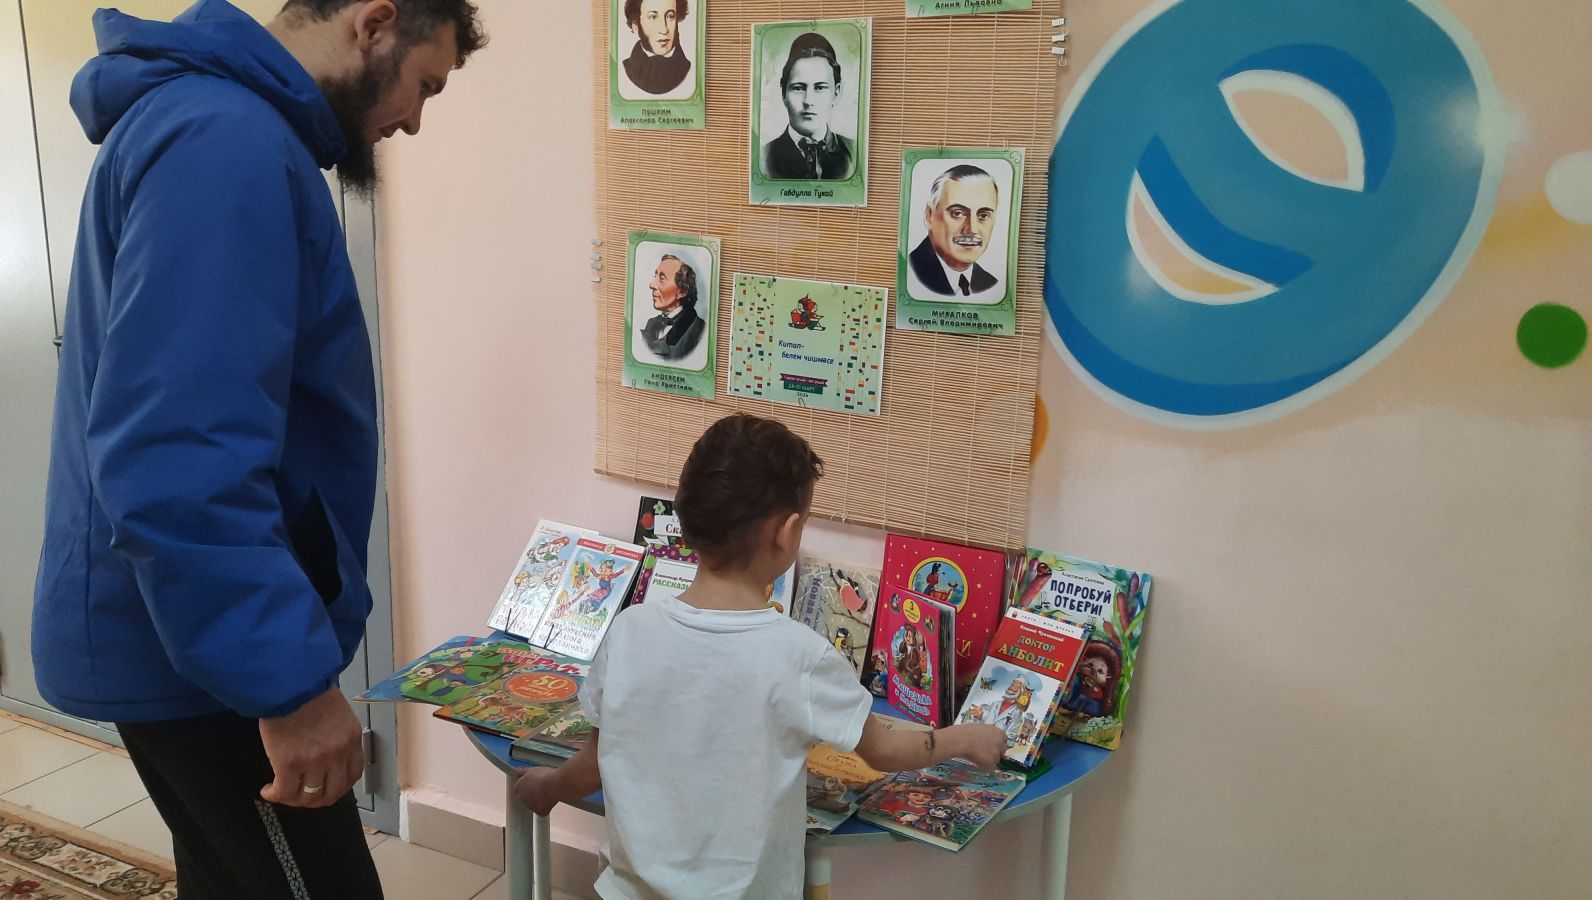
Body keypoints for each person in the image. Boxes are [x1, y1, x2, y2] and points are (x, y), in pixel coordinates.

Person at [30, 1, 484, 897]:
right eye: (424, 86)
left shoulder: (222, 128)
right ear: (373, 25)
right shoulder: (225, 142)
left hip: (199, 632)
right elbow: (179, 452)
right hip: (210, 656)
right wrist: (287, 685)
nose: (413, 122)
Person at [515, 414, 1006, 898]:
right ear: (787, 531)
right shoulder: (801, 656)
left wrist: (547, 787)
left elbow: (594, 762)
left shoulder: (628, 632)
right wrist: (964, 738)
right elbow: (884, 752)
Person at [763, 32, 854, 180]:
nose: (808, 100)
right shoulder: (762, 159)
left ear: (836, 93)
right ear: (784, 94)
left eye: (820, 87)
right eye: (798, 88)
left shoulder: (856, 154)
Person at [909, 164, 1003, 299]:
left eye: (983, 215)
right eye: (957, 213)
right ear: (929, 216)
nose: (972, 229)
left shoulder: (990, 283)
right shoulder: (911, 272)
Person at [638, 253, 706, 361]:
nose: (651, 285)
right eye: (655, 276)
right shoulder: (651, 323)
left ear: (682, 291)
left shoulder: (699, 330)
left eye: (662, 279)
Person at [620, 0, 691, 95]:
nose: (664, 30)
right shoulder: (626, 68)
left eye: (670, 17)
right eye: (653, 17)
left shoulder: (688, 68)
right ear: (636, 27)